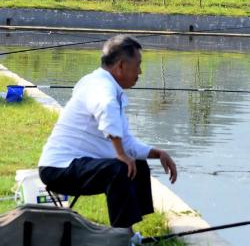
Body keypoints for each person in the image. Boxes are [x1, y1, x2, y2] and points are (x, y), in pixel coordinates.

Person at [38, 35, 177, 231]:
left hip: (81, 163)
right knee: (119, 169)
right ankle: (120, 236)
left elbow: (126, 142)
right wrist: (120, 154)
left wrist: (158, 153)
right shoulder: (100, 86)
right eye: (138, 65)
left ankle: (131, 231)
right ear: (121, 66)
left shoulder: (109, 88)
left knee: (137, 164)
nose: (140, 72)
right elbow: (106, 108)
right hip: (59, 168)